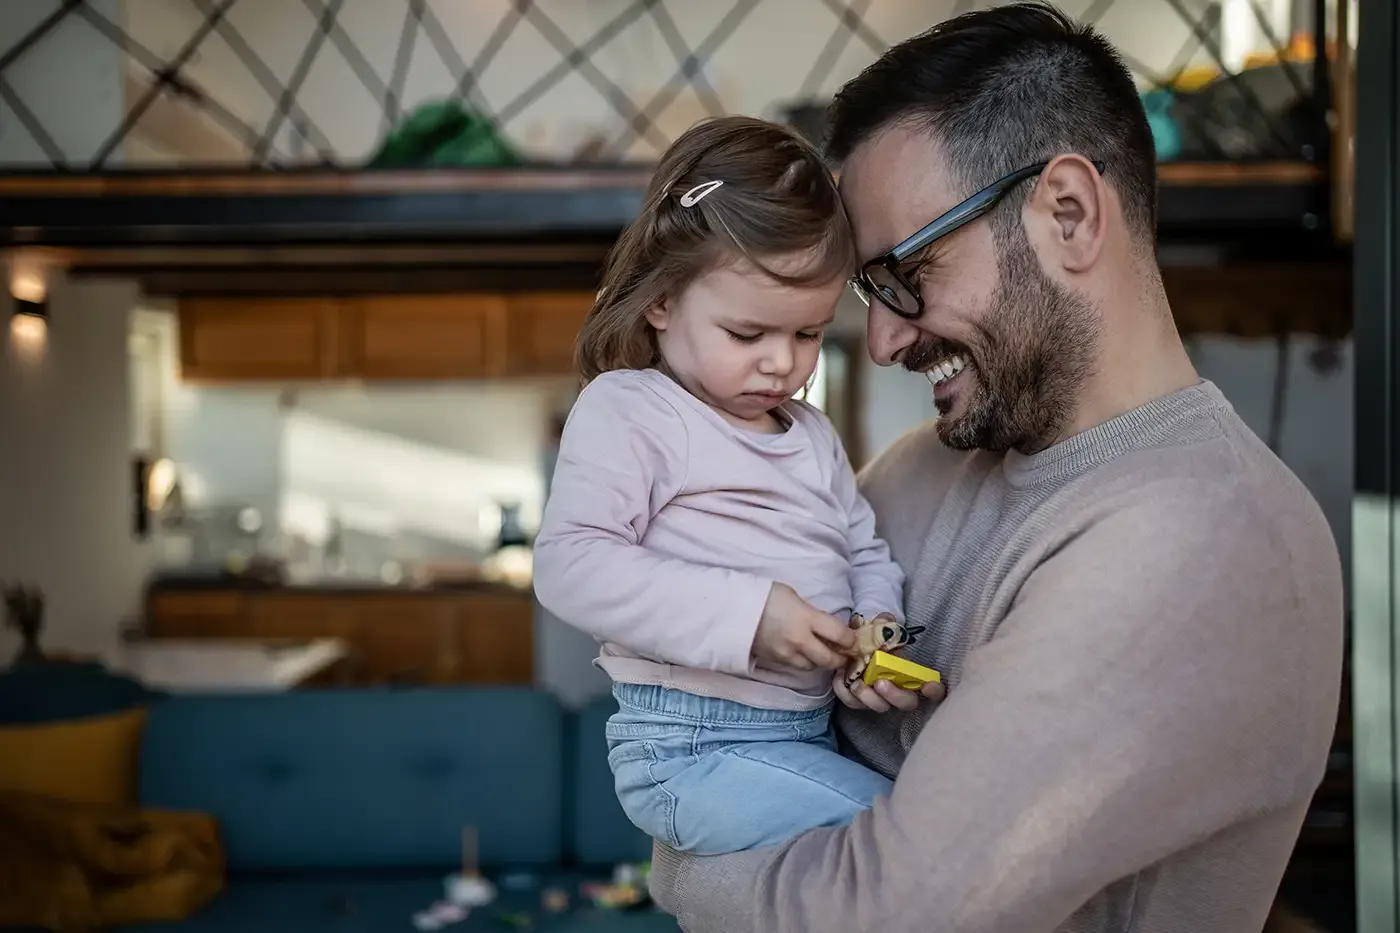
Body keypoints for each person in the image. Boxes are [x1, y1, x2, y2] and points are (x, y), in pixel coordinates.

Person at [646, 3, 1346, 932]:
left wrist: (681, 865)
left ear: (1067, 213)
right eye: (869, 291)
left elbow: (883, 916)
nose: (885, 338)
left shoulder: (1207, 537)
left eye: (906, 274)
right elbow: (698, 727)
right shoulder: (911, 471)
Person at [532, 115, 919, 857]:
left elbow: (865, 551)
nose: (782, 364)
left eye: (807, 334)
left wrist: (878, 626)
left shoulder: (811, 438)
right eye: (749, 335)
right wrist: (750, 615)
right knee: (903, 836)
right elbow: (570, 562)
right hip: (689, 747)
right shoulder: (633, 408)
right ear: (663, 301)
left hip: (804, 734)